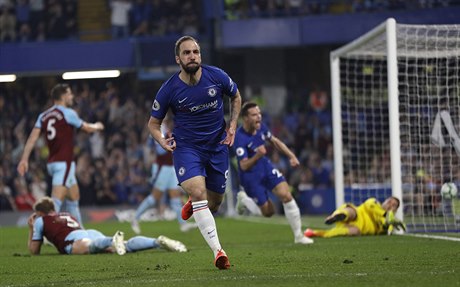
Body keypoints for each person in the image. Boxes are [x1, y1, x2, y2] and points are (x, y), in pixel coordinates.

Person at [147, 35, 242, 270]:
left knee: (216, 202)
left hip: (218, 145)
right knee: (199, 192)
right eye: (187, 53)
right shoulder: (169, 89)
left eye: (195, 52)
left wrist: (232, 126)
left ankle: (194, 202)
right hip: (187, 148)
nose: (192, 56)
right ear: (178, 58)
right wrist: (162, 142)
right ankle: (218, 252)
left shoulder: (216, 76)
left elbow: (236, 96)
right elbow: (153, 124)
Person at [17, 83, 104, 226]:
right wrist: (98, 126)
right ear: (63, 96)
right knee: (54, 204)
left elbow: (32, 138)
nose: (72, 96)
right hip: (64, 163)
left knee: (74, 196)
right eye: (69, 94)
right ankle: (41, 232)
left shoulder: (43, 116)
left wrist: (24, 159)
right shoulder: (68, 113)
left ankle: (79, 231)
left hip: (53, 162)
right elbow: (87, 128)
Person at [233, 101, 313, 245]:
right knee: (268, 212)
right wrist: (257, 155)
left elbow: (275, 141)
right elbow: (244, 166)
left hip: (265, 166)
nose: (258, 117)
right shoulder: (239, 138)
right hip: (250, 177)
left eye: (259, 114)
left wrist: (291, 156)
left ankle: (299, 236)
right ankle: (244, 199)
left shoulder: (260, 127)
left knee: (286, 194)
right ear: (245, 118)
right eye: (254, 115)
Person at [28, 197, 187, 255]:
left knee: (91, 247)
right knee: (125, 246)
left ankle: (112, 239)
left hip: (74, 240)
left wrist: (31, 228)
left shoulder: (41, 220)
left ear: (40, 213)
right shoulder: (66, 215)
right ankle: (156, 241)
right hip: (89, 231)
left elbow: (34, 251)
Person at [131, 116, 197, 234]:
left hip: (171, 167)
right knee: (154, 197)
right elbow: (160, 151)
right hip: (163, 167)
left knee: (175, 197)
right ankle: (135, 219)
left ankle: (183, 224)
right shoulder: (158, 130)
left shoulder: (167, 129)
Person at [304, 196, 406, 238]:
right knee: (351, 212)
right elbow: (369, 205)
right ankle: (335, 216)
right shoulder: (375, 202)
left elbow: (386, 229)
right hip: (357, 215)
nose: (390, 206)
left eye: (393, 206)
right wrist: (386, 214)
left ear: (396, 210)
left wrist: (389, 222)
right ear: (384, 201)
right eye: (389, 202)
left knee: (354, 232)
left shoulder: (388, 221)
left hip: (358, 228)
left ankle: (314, 232)